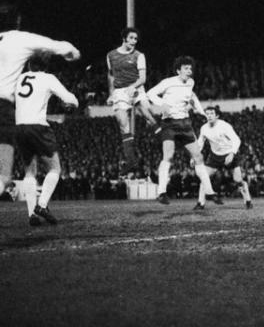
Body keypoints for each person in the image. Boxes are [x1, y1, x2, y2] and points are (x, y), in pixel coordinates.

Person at [0, 0, 81, 198]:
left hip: (13, 114)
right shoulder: (20, 38)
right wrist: (73, 54)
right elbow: (59, 46)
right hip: (3, 106)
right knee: (3, 175)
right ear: (18, 21)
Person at [15, 51, 79, 225]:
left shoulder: (19, 79)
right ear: (46, 66)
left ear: (29, 65)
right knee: (55, 168)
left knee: (29, 171)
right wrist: (72, 104)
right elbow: (70, 98)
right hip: (38, 126)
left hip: (19, 126)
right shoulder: (48, 78)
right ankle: (42, 205)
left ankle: (32, 215)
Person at [145, 56, 218, 209]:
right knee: (169, 156)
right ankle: (162, 192)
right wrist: (161, 104)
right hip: (169, 124)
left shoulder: (191, 82)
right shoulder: (168, 82)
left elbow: (192, 97)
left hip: (185, 123)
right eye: (186, 68)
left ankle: (210, 191)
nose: (189, 71)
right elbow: (150, 93)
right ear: (178, 70)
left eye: (190, 68)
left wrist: (200, 111)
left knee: (198, 156)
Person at [106, 27, 153, 174]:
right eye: (131, 38)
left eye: (136, 39)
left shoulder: (138, 55)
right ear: (124, 38)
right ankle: (131, 159)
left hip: (135, 88)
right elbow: (111, 76)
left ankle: (163, 135)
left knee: (149, 115)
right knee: (122, 122)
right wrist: (111, 94)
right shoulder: (111, 55)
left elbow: (143, 78)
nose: (134, 41)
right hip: (120, 92)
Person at [197, 106, 252, 209]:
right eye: (207, 114)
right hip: (215, 156)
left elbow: (237, 140)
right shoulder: (204, 128)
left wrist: (232, 154)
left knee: (238, 180)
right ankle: (200, 203)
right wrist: (194, 155)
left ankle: (248, 199)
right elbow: (200, 143)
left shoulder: (225, 126)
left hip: (229, 154)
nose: (209, 116)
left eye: (211, 113)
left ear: (217, 116)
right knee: (204, 177)